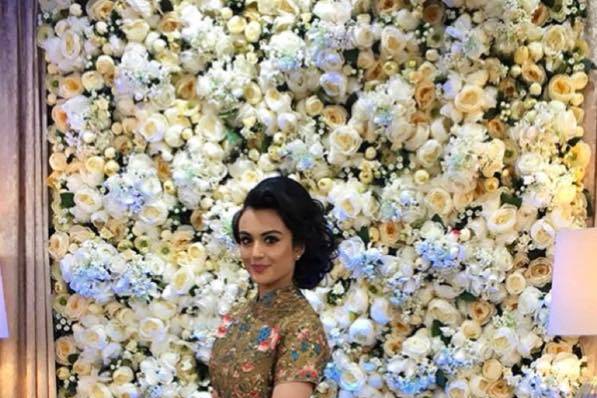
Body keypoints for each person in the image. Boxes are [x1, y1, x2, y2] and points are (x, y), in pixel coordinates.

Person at [208, 176, 337, 398]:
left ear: (298, 246)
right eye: (247, 240)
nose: (256, 253)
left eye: (270, 240)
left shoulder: (301, 329)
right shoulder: (238, 314)